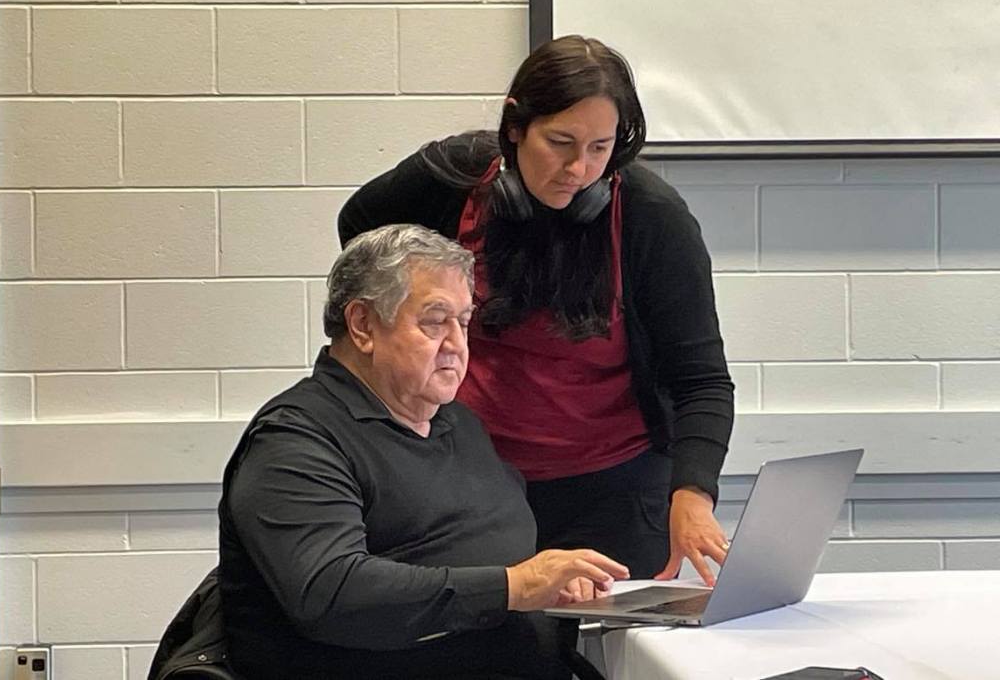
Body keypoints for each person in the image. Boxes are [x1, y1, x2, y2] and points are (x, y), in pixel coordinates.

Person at [338, 35, 735, 586]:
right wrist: (414, 312)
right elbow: (359, 230)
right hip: (472, 484)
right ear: (516, 126)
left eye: (599, 148)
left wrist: (693, 494)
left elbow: (702, 381)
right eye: (560, 142)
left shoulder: (653, 218)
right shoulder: (452, 180)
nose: (578, 168)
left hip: (617, 490)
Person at [218, 223, 629, 680]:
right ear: (363, 325)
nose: (457, 345)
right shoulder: (296, 439)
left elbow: (494, 549)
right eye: (435, 321)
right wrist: (514, 586)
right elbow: (331, 594)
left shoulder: (459, 423)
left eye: (464, 322)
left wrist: (555, 582)